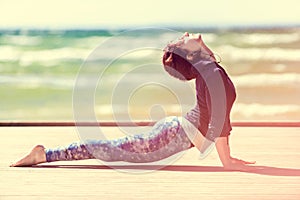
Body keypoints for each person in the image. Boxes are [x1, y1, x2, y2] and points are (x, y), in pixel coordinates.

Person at [10, 32, 255, 170]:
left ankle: (47, 154)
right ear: (191, 54)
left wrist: (226, 158)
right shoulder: (209, 71)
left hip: (177, 132)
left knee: (114, 149)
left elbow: (219, 117)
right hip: (171, 136)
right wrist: (227, 161)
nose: (186, 35)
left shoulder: (208, 68)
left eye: (182, 39)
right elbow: (220, 119)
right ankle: (45, 154)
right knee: (111, 149)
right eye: (184, 40)